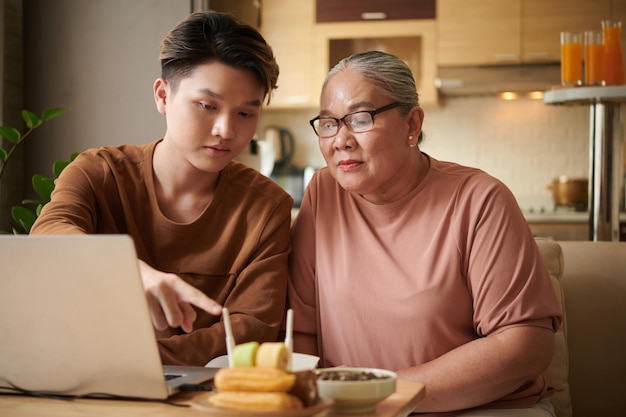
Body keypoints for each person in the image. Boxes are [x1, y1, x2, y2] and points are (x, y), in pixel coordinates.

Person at [288, 50, 563, 416]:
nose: (340, 139)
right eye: (328, 123)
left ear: (411, 123)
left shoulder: (479, 199)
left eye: (359, 119)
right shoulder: (323, 192)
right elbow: (302, 332)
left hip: (482, 408)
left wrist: (384, 395)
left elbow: (526, 345)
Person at [31, 11, 293, 366]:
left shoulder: (266, 206)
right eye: (207, 106)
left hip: (201, 394)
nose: (225, 130)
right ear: (163, 96)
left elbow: (252, 328)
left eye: (245, 114)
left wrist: (136, 359)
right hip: (82, 382)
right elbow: (48, 236)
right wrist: (128, 269)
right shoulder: (98, 172)